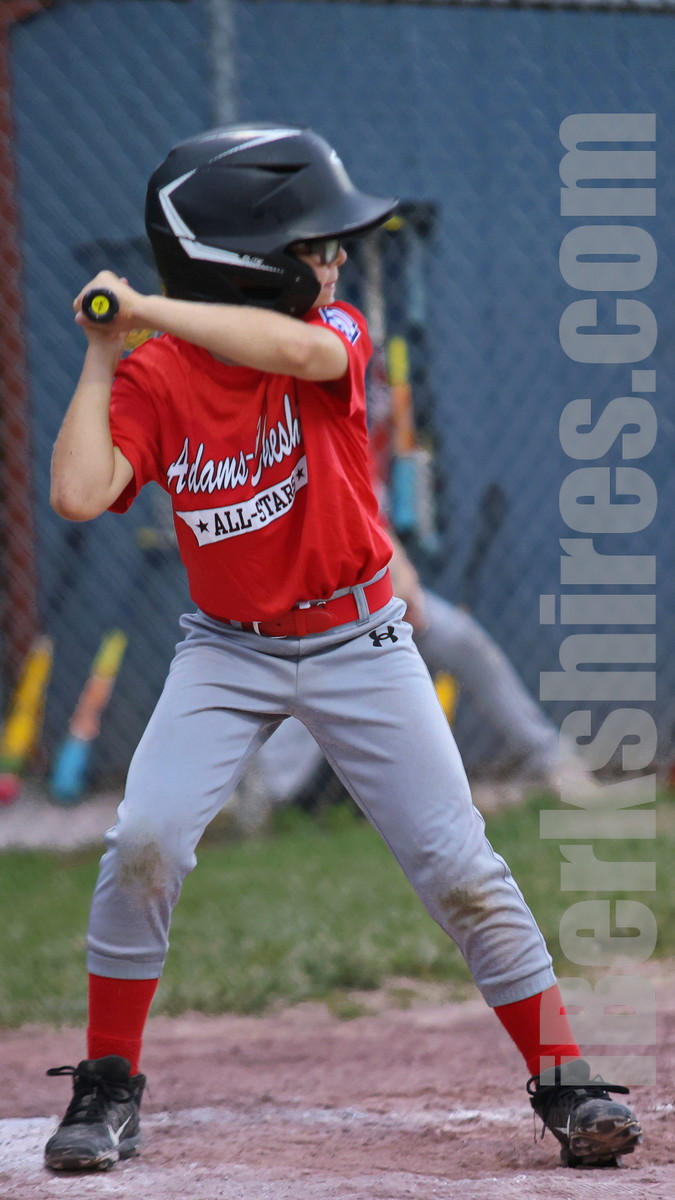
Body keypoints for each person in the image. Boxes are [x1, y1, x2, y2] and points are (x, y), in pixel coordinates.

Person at [45, 123, 641, 1174]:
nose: (333, 262)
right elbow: (79, 492)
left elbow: (297, 353)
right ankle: (107, 1085)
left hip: (360, 639)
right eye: (313, 248)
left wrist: (144, 309)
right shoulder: (158, 375)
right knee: (144, 840)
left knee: (459, 866)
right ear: (244, 263)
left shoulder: (332, 333)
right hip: (227, 651)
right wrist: (105, 354)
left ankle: (565, 1080)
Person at [236, 528, 598, 826]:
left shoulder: (355, 471)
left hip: (388, 604)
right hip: (327, 619)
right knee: (318, 682)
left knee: (462, 639)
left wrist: (406, 590)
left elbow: (378, 532)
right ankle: (263, 794)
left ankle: (553, 759)